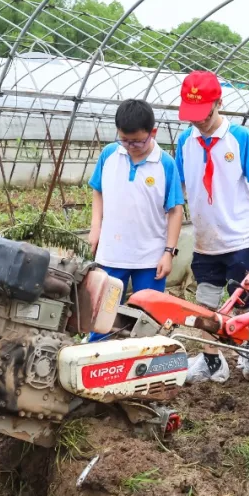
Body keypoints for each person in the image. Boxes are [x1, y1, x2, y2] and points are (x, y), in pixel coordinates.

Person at [175, 71, 249, 383]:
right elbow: (180, 186)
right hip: (206, 240)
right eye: (192, 116)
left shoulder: (240, 138)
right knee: (205, 304)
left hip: (240, 237)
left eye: (204, 114)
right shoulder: (185, 141)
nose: (199, 122)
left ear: (219, 102)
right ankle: (211, 362)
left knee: (245, 300)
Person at [87, 99, 184, 326]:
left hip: (150, 257)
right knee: (103, 315)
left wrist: (168, 252)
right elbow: (97, 191)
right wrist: (95, 227)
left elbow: (176, 210)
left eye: (138, 142)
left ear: (153, 132)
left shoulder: (165, 164)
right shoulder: (109, 154)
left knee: (147, 319)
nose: (130, 146)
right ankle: (98, 354)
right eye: (124, 140)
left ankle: (142, 358)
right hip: (112, 253)